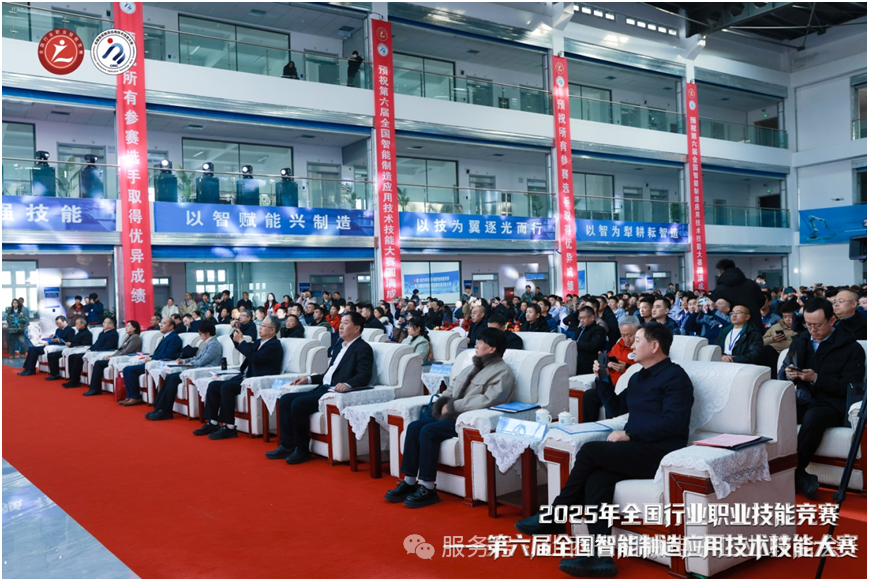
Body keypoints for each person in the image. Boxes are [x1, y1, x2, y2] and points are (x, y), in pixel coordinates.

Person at [516, 322, 693, 577]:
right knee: (597, 480)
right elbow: (616, 409)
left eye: (638, 340)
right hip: (637, 448)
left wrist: (629, 434)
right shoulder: (638, 376)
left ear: (655, 346)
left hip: (661, 452)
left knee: (590, 451)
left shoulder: (676, 377)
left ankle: (556, 514)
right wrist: (602, 380)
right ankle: (600, 556)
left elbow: (674, 423)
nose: (632, 345)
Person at [386, 327, 514, 508]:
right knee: (414, 427)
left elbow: (488, 399)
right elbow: (452, 388)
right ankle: (409, 481)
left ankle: (428, 487)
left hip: (466, 420)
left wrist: (454, 406)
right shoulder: (471, 367)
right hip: (449, 415)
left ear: (492, 348)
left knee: (428, 431)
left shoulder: (502, 372)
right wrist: (442, 402)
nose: (476, 345)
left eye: (480, 342)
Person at [779, 298, 866, 499]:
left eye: (818, 325)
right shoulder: (800, 341)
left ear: (832, 321)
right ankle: (796, 475)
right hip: (804, 398)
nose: (813, 330)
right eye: (808, 324)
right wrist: (789, 374)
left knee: (814, 416)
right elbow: (784, 371)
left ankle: (792, 472)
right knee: (778, 411)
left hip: (832, 404)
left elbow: (850, 388)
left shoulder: (850, 347)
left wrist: (816, 379)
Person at [265, 311, 373, 464]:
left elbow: (364, 375)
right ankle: (287, 445)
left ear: (357, 328)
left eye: (345, 323)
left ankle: (302, 450)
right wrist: (308, 379)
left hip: (334, 392)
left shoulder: (363, 348)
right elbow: (328, 374)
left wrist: (348, 384)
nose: (341, 326)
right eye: (341, 323)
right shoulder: (339, 347)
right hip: (323, 388)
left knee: (298, 404)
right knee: (285, 399)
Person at [194, 316, 284, 440]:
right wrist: (236, 331)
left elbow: (255, 358)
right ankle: (213, 422)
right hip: (245, 376)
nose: (260, 328)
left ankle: (229, 427)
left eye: (263, 326)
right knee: (214, 385)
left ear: (272, 330)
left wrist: (241, 341)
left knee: (227, 387)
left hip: (256, 379)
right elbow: (243, 348)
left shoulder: (274, 345)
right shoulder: (259, 342)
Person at [147, 320, 221, 420]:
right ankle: (159, 408)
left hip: (204, 370)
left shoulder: (214, 344)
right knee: (170, 378)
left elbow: (202, 361)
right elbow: (197, 358)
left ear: (207, 333)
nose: (199, 335)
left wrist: (190, 363)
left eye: (200, 333)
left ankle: (165, 411)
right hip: (197, 368)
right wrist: (184, 360)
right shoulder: (208, 343)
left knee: (173, 378)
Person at [580, 316, 640, 422]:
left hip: (624, 386)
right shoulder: (619, 344)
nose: (626, 339)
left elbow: (641, 368)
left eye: (629, 335)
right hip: (610, 382)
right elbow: (609, 357)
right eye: (623, 335)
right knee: (589, 395)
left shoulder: (640, 347)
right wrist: (605, 363)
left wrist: (626, 368)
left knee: (612, 403)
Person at [119, 318, 182, 406]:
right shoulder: (165, 337)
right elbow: (158, 353)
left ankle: (135, 397)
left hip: (160, 364)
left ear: (171, 326)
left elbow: (169, 355)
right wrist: (151, 357)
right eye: (161, 323)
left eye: (164, 323)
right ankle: (130, 396)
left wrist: (152, 358)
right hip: (154, 361)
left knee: (130, 370)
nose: (161, 325)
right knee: (127, 369)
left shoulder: (174, 338)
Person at [83, 321, 143, 396]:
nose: (126, 327)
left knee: (99, 364)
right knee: (99, 363)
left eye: (128, 326)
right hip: (119, 357)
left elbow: (127, 351)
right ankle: (94, 388)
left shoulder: (135, 338)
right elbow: (120, 350)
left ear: (134, 328)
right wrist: (112, 356)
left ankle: (95, 388)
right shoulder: (128, 337)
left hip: (126, 358)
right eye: (126, 326)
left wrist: (113, 357)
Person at [62, 317, 120, 388]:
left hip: (100, 352)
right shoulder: (102, 333)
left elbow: (108, 346)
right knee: (72, 356)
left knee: (78, 358)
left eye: (105, 322)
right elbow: (96, 344)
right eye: (103, 322)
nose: (103, 324)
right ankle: (72, 380)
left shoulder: (113, 334)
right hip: (94, 351)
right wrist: (90, 349)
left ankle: (75, 381)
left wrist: (94, 350)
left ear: (111, 325)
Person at [710, 259, 765, 331]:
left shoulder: (720, 289)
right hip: (754, 324)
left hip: (731, 327)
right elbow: (761, 300)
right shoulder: (751, 284)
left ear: (721, 272)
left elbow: (714, 307)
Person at [574, 306, 607, 375]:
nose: (581, 320)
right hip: (574, 359)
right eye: (580, 318)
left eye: (583, 318)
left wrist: (575, 344)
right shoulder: (579, 329)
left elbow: (594, 346)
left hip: (588, 362)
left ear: (592, 317)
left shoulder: (598, 330)